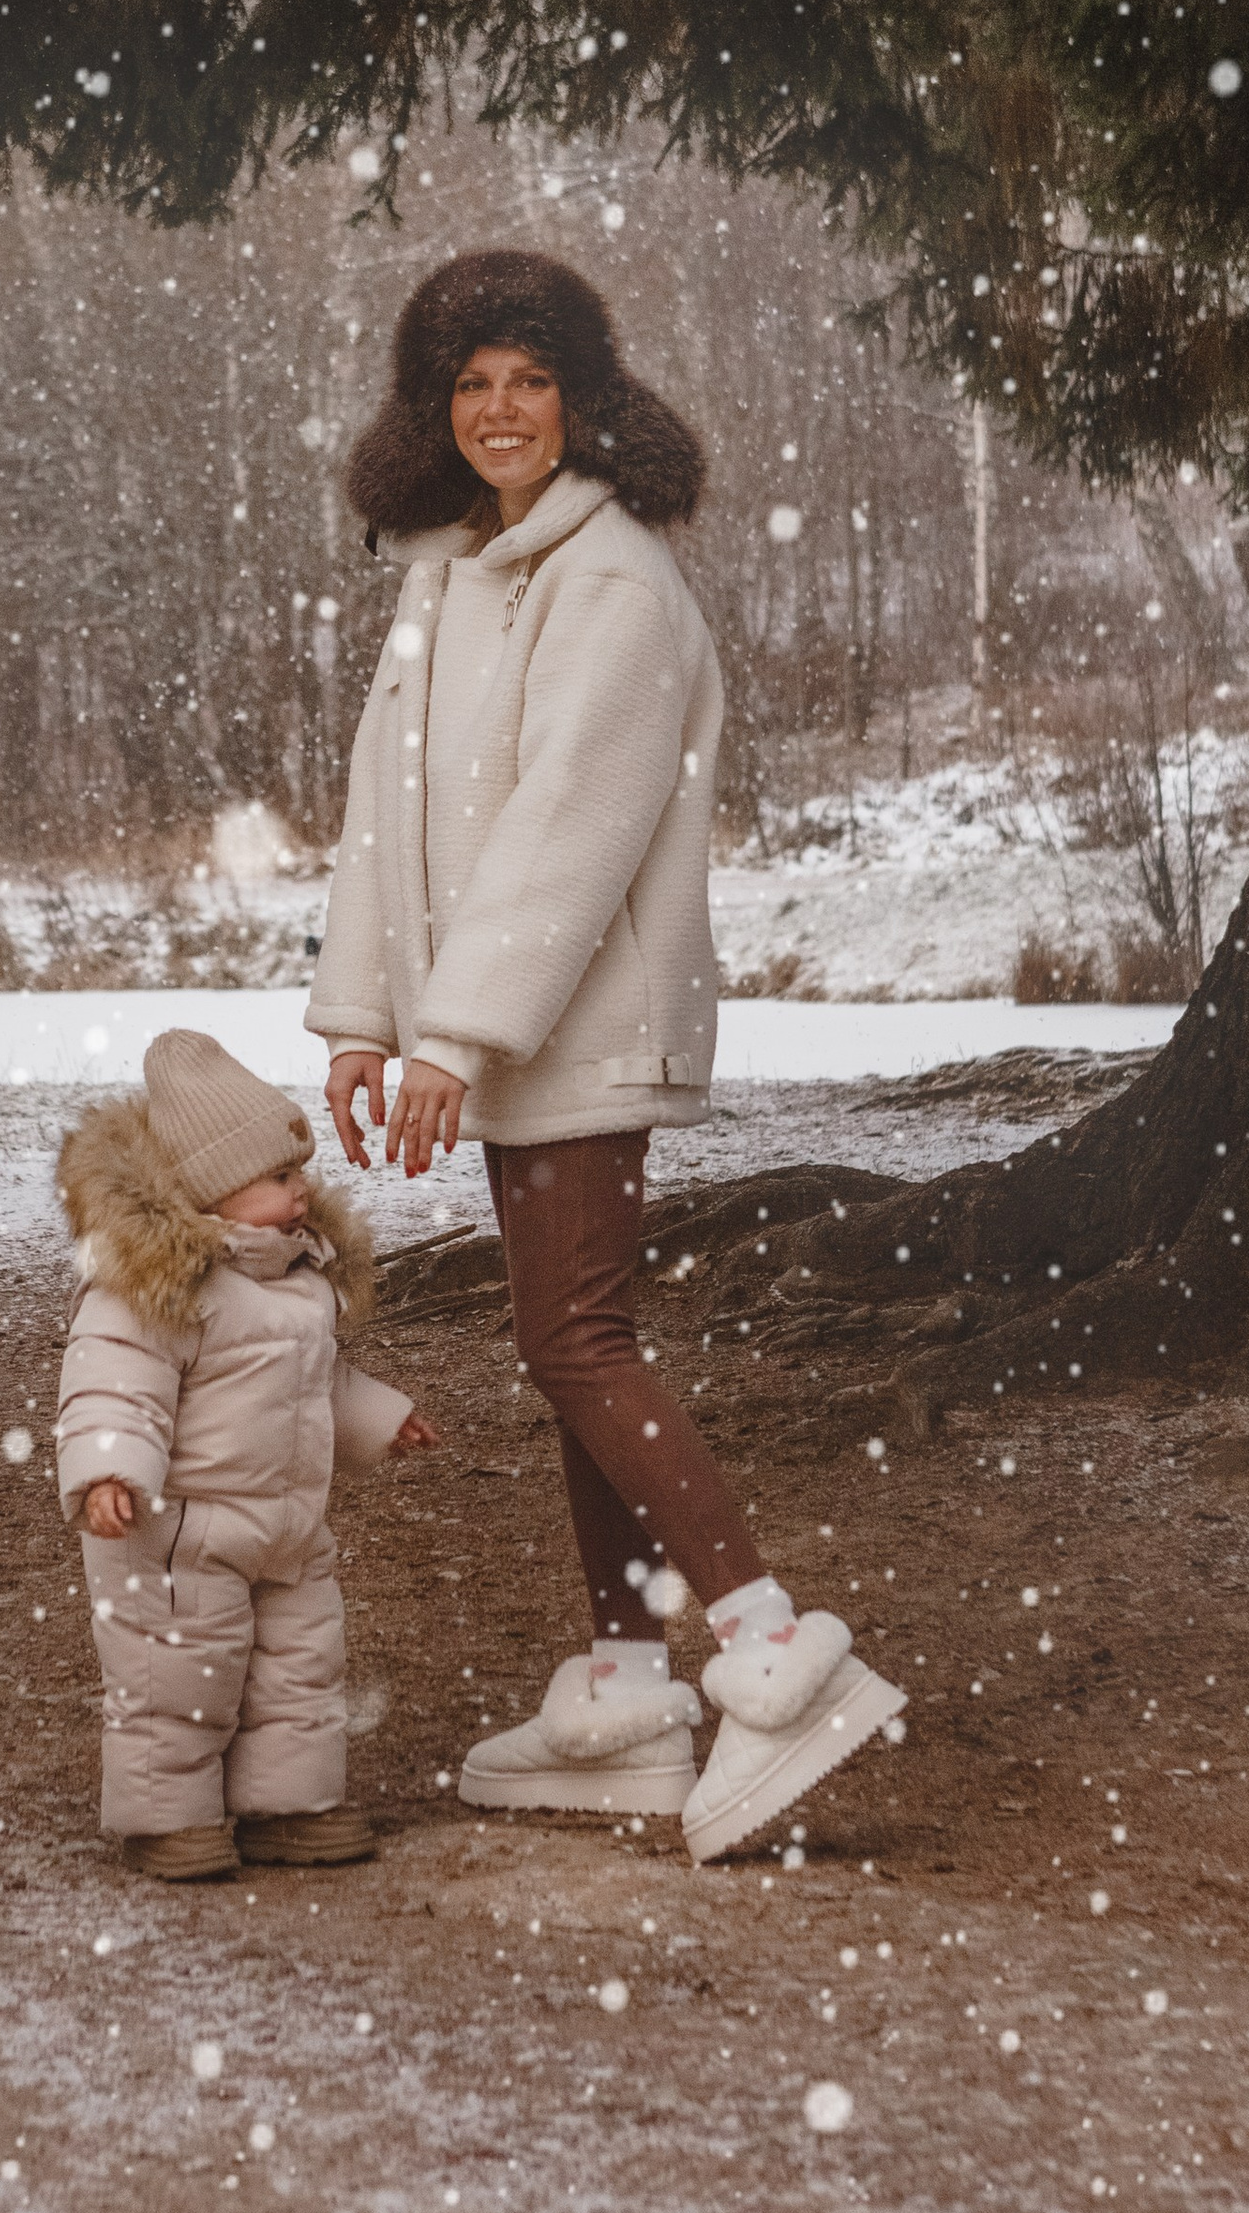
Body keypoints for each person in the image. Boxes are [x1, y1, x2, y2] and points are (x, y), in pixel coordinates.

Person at [306, 248, 904, 1864]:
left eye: (532, 380)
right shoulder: (448, 574)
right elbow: (385, 813)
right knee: (571, 1342)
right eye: (473, 383)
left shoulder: (614, 581)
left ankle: (771, 1647)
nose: (502, 411)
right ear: (436, 408)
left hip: (585, 1014)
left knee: (576, 1340)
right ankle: (627, 1692)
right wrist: (369, 1017)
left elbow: (572, 830)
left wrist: (459, 1034)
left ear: (584, 401)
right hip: (491, 1026)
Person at [54, 1024, 438, 1883]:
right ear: (213, 1191)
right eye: (277, 1177)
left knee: (301, 1672)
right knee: (179, 1679)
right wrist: (109, 1471)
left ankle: (289, 1809)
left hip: (288, 1529)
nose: (301, 1192)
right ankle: (170, 1820)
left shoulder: (299, 1282)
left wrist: (382, 1417)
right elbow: (114, 1386)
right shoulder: (157, 1288)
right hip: (180, 1536)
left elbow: (316, 1385)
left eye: (298, 1173)